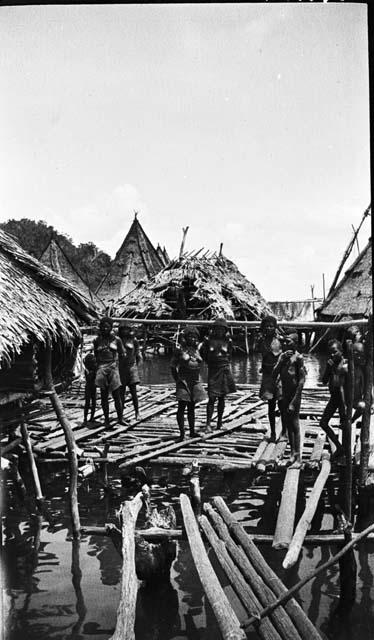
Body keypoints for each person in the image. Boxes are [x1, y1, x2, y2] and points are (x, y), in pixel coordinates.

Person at [273, 332, 306, 467]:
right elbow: (274, 374)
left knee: (295, 424)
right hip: (285, 393)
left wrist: (294, 400)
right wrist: (281, 362)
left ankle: (298, 457)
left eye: (289, 342)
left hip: (294, 395)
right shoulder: (282, 357)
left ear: (295, 343)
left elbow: (302, 380)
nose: (286, 344)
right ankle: (292, 453)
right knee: (287, 422)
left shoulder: (298, 358)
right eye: (285, 342)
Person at [200, 318, 236, 432]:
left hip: (224, 369)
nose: (219, 331)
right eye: (217, 329)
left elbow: (230, 355)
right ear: (213, 330)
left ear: (225, 330)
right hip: (213, 370)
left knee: (222, 397)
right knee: (211, 397)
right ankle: (208, 424)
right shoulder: (208, 341)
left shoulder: (228, 341)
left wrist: (225, 363)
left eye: (222, 329)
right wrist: (210, 362)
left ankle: (220, 422)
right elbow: (203, 354)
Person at [170, 326, 206, 440]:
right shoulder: (180, 350)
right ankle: (182, 434)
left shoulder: (197, 350)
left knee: (191, 407)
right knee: (182, 406)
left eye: (195, 337)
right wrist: (177, 379)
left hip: (194, 381)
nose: (193, 339)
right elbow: (172, 366)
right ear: (185, 338)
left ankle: (192, 431)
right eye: (190, 337)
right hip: (183, 380)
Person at [319, 339, 348, 460]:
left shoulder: (346, 364)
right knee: (323, 423)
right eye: (330, 352)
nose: (332, 355)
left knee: (345, 424)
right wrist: (328, 367)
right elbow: (324, 381)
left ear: (341, 351)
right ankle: (339, 447)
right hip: (334, 396)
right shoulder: (331, 364)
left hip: (344, 398)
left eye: (334, 352)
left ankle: (346, 452)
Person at [93, 317, 124, 428]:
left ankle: (120, 418)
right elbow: (96, 355)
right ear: (100, 328)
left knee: (116, 394)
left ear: (111, 328)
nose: (105, 328)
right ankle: (106, 419)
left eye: (107, 327)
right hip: (102, 367)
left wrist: (116, 366)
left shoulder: (117, 340)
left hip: (113, 367)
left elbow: (122, 354)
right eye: (103, 327)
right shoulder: (97, 340)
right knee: (104, 395)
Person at [258, 315, 284, 442]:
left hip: (279, 376)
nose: (269, 328)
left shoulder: (280, 341)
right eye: (266, 326)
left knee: (282, 404)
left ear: (275, 328)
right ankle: (273, 432)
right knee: (270, 405)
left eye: (271, 326)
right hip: (268, 377)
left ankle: (284, 431)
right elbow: (264, 357)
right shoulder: (261, 342)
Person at [118, 323, 141, 421]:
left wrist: (135, 365)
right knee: (121, 393)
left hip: (131, 367)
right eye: (123, 329)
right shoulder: (118, 340)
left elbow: (137, 354)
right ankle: (121, 414)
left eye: (127, 329)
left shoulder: (133, 340)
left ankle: (137, 412)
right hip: (121, 368)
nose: (125, 331)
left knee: (133, 392)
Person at [83, 352, 97, 425]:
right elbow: (89, 378)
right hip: (89, 386)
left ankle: (91, 417)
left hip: (91, 386)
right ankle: (86, 418)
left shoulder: (92, 370)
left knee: (92, 403)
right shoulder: (87, 370)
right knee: (88, 403)